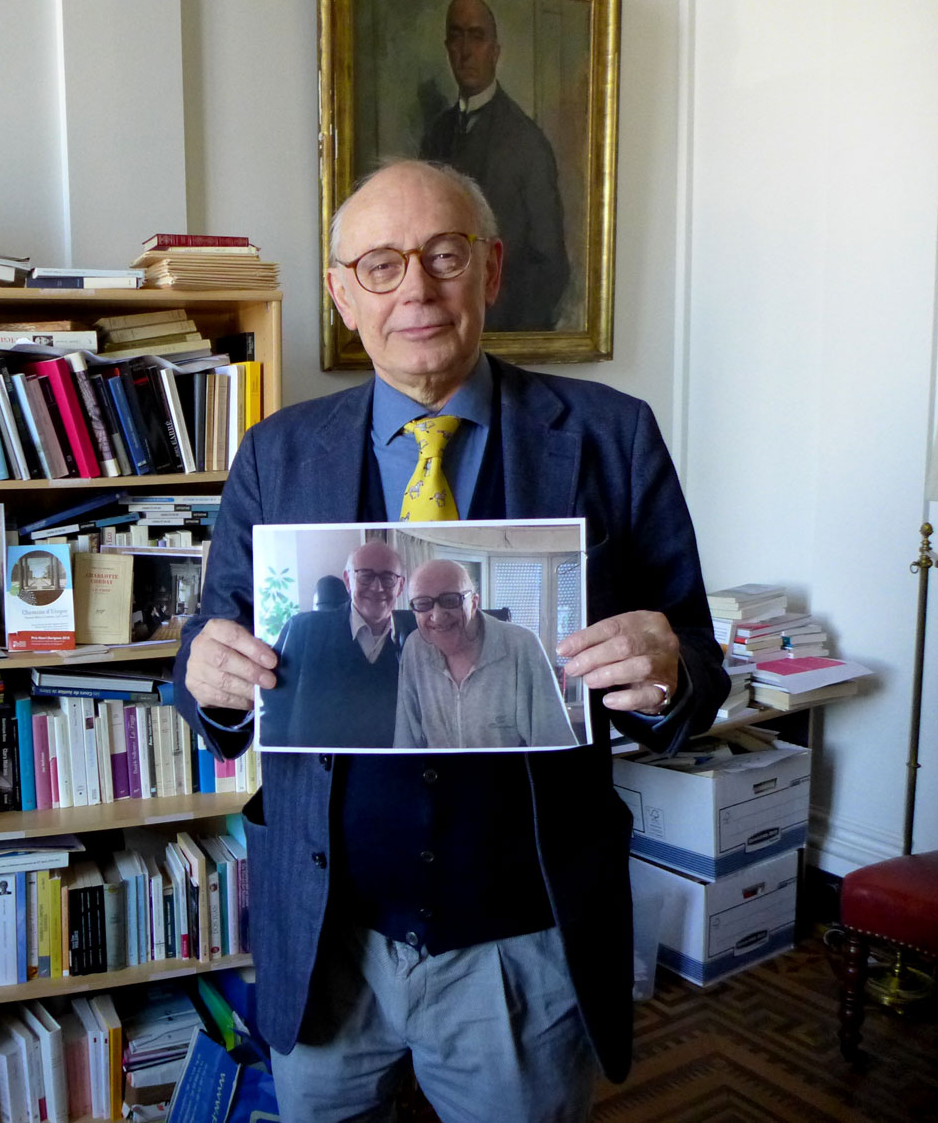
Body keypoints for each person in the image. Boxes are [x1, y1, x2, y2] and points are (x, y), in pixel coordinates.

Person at [172, 159, 726, 1121]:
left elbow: (698, 669)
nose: (416, 289)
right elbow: (212, 643)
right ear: (343, 295)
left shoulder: (611, 436)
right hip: (328, 943)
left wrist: (668, 673)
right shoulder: (276, 452)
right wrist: (205, 676)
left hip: (523, 949)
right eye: (381, 265)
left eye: (444, 254)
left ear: (493, 269)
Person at [418, 0, 568, 331]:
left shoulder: (527, 142)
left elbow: (550, 265)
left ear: (495, 51)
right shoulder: (437, 133)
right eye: (457, 37)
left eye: (476, 36)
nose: (466, 50)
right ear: (447, 47)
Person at [393, 558, 576, 750]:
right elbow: (406, 738)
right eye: (423, 604)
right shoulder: (414, 647)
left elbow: (555, 743)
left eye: (450, 601)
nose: (437, 616)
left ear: (474, 602)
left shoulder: (522, 645)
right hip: (438, 777)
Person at [261, 541, 417, 749]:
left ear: (400, 586)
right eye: (365, 576)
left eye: (388, 578)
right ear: (347, 580)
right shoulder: (302, 631)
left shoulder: (418, 637)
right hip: (321, 775)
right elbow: (272, 714)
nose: (377, 587)